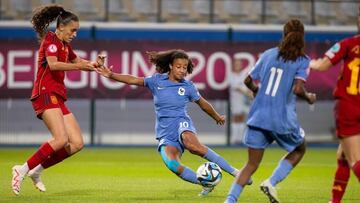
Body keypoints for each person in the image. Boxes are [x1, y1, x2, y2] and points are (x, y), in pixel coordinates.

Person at [95, 49, 245, 196]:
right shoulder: (156, 81)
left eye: (185, 67)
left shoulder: (188, 87)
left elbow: (203, 103)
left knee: (193, 145)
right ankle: (206, 183)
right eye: (178, 66)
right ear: (171, 66)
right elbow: (133, 79)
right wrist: (111, 75)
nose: (181, 70)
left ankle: (235, 172)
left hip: (181, 123)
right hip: (165, 131)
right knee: (173, 165)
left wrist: (217, 116)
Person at [11, 4, 104, 195]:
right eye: (73, 30)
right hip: (45, 93)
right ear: (61, 27)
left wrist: (94, 64)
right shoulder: (51, 41)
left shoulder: (64, 45)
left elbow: (78, 61)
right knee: (61, 139)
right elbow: (53, 65)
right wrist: (81, 67)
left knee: (77, 143)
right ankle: (21, 170)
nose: (75, 34)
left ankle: (37, 170)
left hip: (57, 96)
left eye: (76, 31)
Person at [225, 19, 316, 203]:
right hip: (282, 119)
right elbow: (298, 89)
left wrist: (258, 92)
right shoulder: (303, 61)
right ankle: (271, 182)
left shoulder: (268, 54)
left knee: (250, 165)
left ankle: (230, 200)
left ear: (284, 34)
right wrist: (309, 97)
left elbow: (248, 81)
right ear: (302, 37)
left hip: (258, 116)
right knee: (299, 149)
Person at [309, 8, 360, 203]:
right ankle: (334, 201)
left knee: (354, 158)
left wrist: (310, 63)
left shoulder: (348, 44)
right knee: (343, 156)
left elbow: (323, 65)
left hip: (349, 104)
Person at [229, 58, 252, 144]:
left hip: (243, 101)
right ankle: (234, 139)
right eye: (236, 64)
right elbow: (236, 87)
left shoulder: (244, 75)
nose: (237, 66)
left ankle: (241, 139)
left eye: (239, 64)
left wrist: (248, 93)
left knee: (242, 118)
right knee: (235, 118)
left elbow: (247, 86)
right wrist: (247, 92)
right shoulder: (231, 75)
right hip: (235, 100)